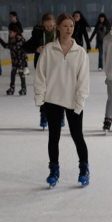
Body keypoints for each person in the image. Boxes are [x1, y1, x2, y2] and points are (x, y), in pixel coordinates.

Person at [35, 13, 91, 186]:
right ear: (57, 27)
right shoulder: (49, 50)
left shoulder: (80, 52)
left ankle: (84, 168)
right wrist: (40, 98)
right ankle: (54, 169)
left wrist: (80, 101)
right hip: (52, 100)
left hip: (73, 100)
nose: (69, 29)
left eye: (71, 26)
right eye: (65, 26)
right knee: (54, 137)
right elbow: (40, 76)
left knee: (77, 136)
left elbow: (83, 80)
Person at [26, 13, 59, 126]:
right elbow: (26, 46)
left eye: (51, 25)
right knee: (44, 93)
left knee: (59, 92)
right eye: (46, 26)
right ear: (43, 24)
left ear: (54, 23)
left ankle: (60, 117)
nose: (49, 28)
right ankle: (44, 116)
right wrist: (36, 49)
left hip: (58, 66)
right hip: (42, 66)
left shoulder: (59, 32)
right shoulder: (38, 33)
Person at [6, 21, 28, 97]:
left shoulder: (20, 39)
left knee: (21, 73)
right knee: (13, 73)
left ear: (15, 32)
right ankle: (12, 88)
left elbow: (23, 50)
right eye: (9, 32)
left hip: (21, 59)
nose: (9, 33)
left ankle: (24, 88)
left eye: (11, 32)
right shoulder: (12, 39)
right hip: (15, 60)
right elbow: (7, 46)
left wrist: (24, 62)